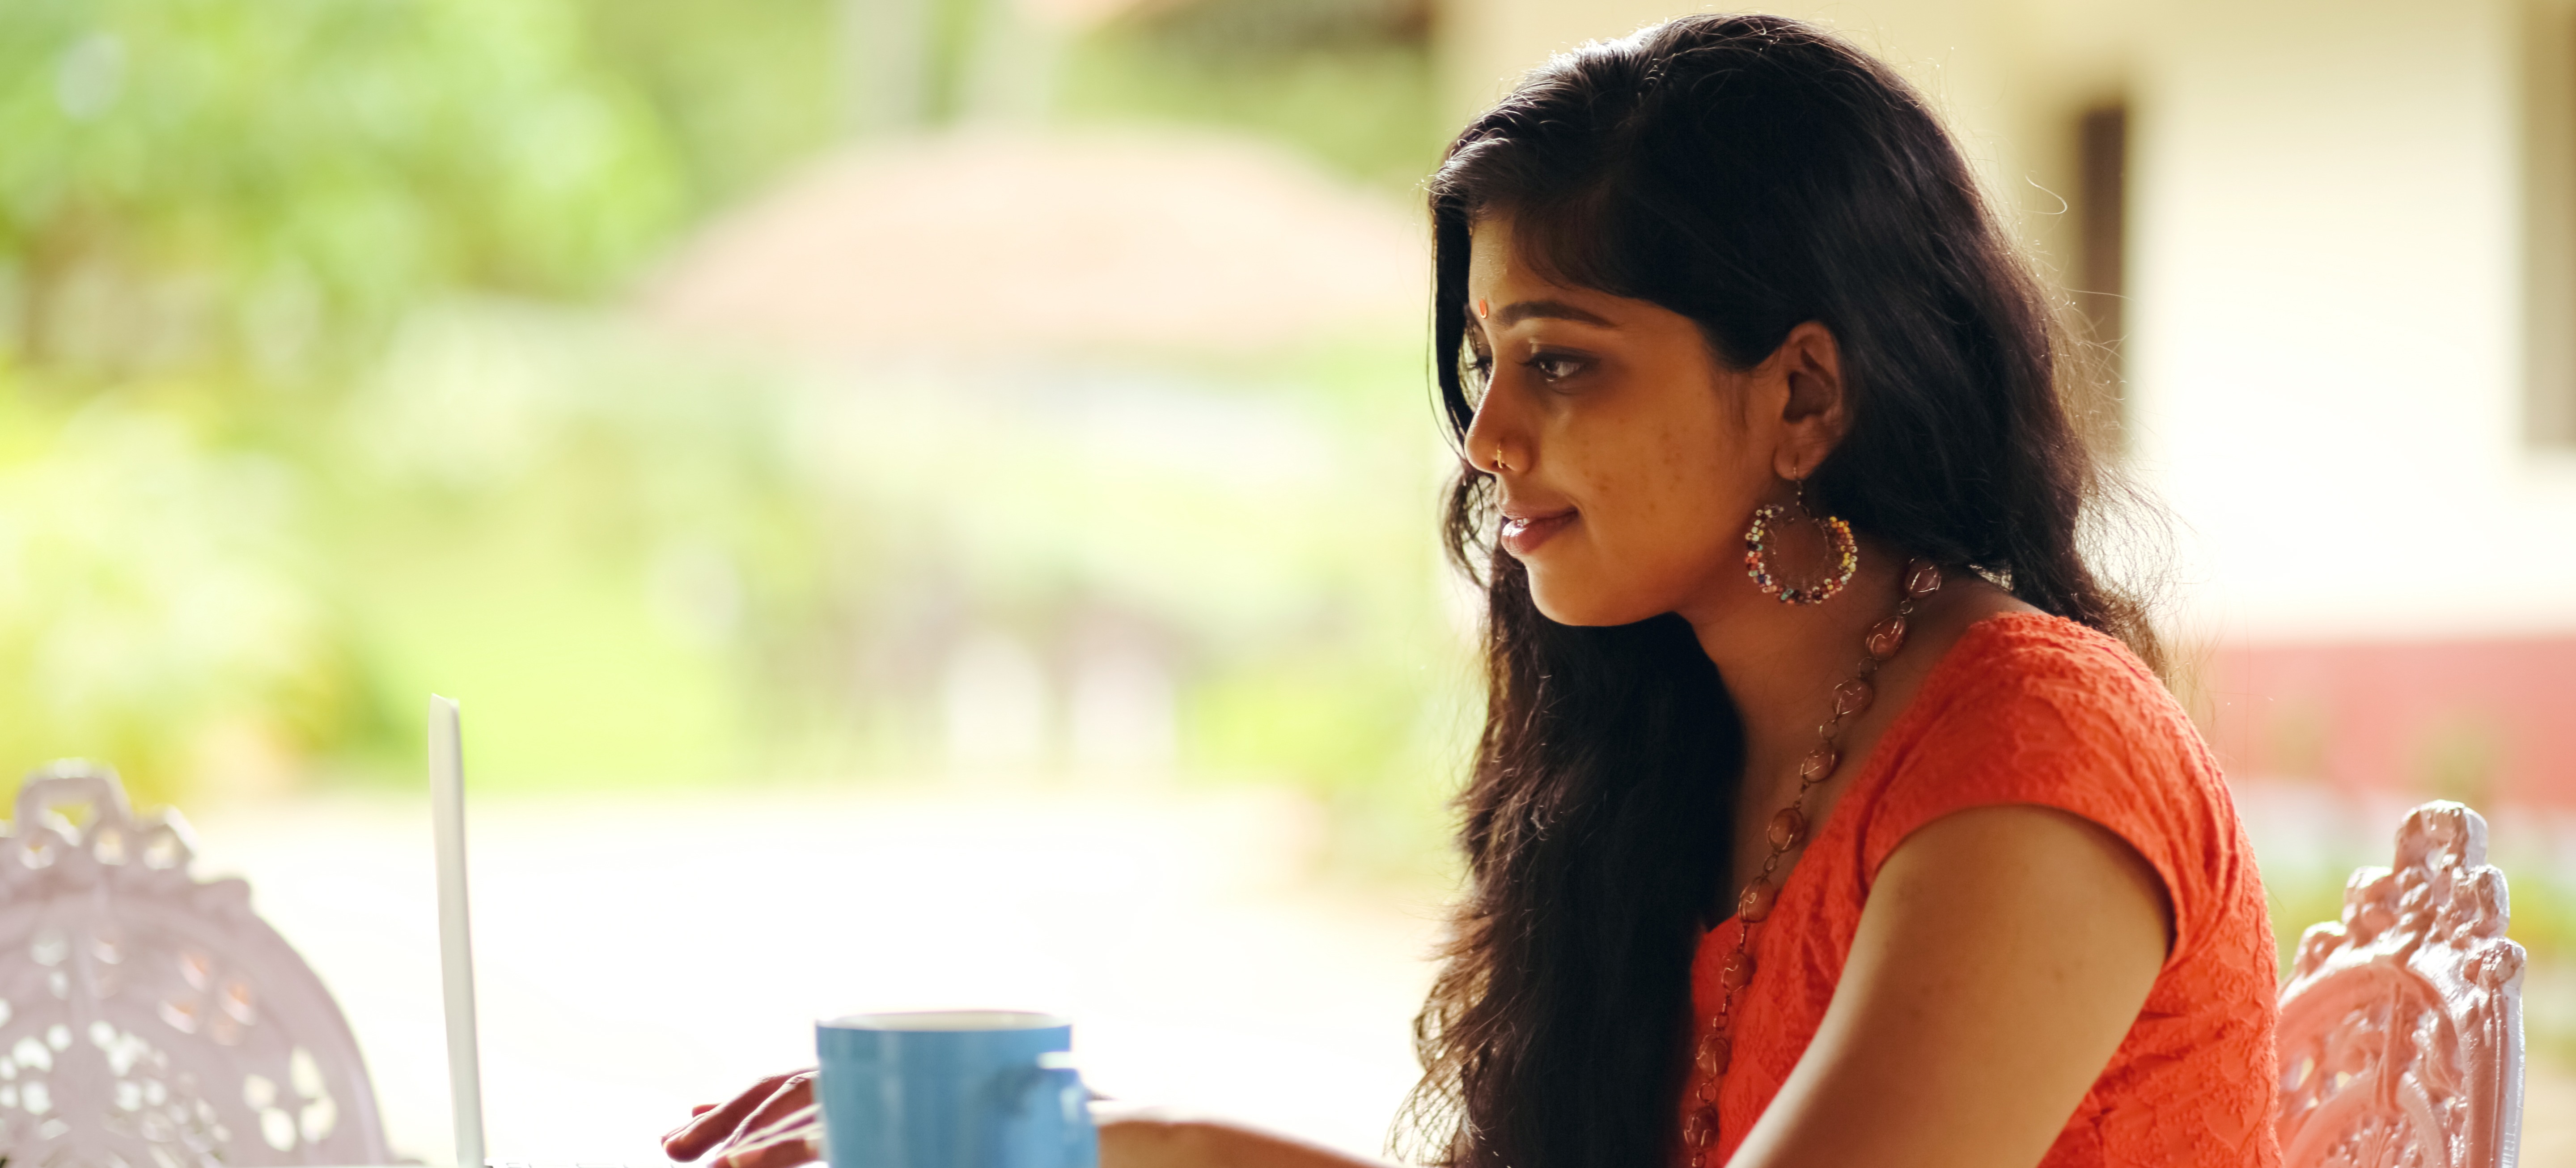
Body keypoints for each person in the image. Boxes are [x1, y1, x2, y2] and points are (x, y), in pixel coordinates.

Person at [659, 13, 2281, 1168]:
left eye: (1563, 363)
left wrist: (1124, 1150)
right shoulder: (1679, 748)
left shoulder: (2033, 758)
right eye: (1485, 364)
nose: (1489, 436)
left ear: (1801, 400)